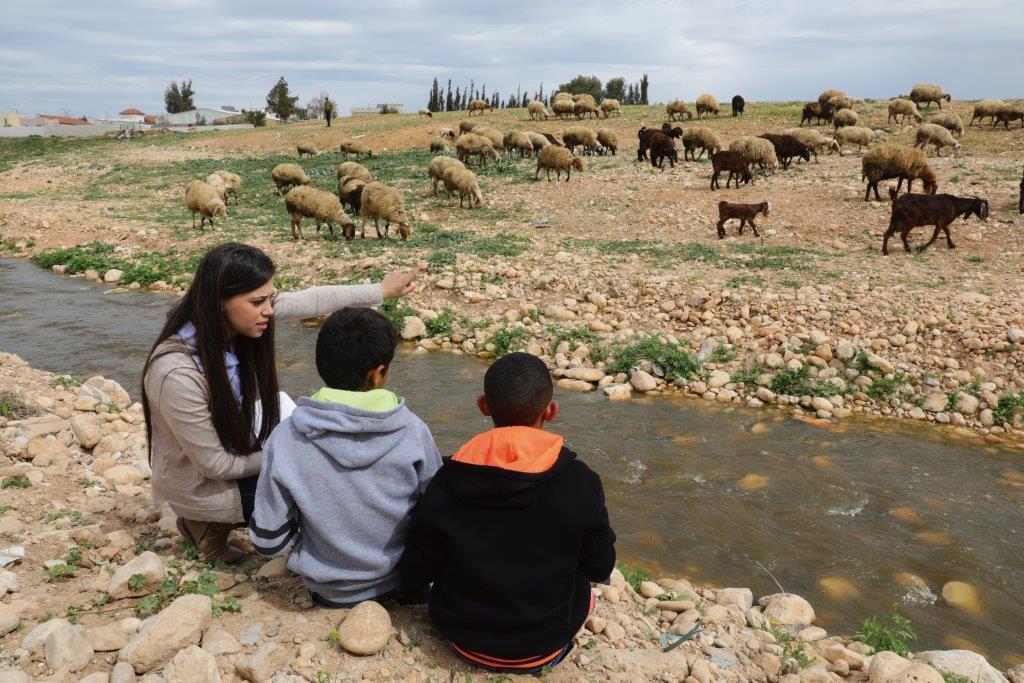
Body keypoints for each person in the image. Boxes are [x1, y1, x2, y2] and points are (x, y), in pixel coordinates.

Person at [141, 242, 420, 563]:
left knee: (312, 442)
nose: (269, 310)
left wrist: (381, 291)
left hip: (232, 444)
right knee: (319, 471)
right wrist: (290, 451)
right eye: (258, 301)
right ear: (219, 302)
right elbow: (215, 465)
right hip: (203, 483)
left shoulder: (239, 320)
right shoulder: (175, 373)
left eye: (270, 299)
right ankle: (205, 522)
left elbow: (311, 299)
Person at [398, 352, 617, 675]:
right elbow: (600, 566)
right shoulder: (580, 481)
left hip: (462, 637)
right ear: (551, 411)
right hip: (545, 646)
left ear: (483, 406)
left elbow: (419, 564)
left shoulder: (448, 478)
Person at [248, 307, 442, 606]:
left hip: (328, 591)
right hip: (400, 582)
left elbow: (267, 541)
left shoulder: (286, 437)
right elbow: (436, 514)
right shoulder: (414, 431)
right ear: (378, 373)